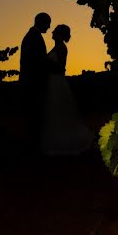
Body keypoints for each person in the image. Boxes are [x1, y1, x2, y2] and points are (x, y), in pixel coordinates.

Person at [40, 24, 93, 156]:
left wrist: (47, 64)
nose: (52, 32)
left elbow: (61, 67)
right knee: (53, 110)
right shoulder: (56, 47)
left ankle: (64, 142)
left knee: (59, 109)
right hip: (52, 81)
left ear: (59, 34)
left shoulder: (62, 48)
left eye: (55, 31)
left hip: (57, 82)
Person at [19, 12, 51, 155]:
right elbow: (36, 63)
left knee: (34, 117)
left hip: (31, 83)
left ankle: (34, 147)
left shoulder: (32, 36)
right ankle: (34, 149)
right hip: (33, 83)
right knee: (34, 117)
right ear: (42, 22)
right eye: (48, 23)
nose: (49, 27)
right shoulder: (34, 37)